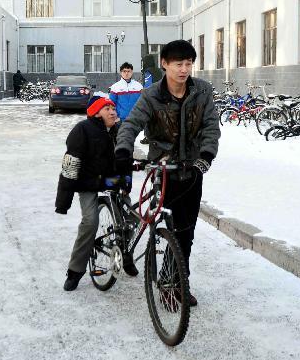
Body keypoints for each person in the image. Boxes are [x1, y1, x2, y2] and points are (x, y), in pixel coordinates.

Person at [114, 39, 220, 307]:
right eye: (178, 64)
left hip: (193, 169)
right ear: (164, 64)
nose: (184, 69)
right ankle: (171, 283)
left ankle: (176, 281)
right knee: (172, 228)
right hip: (163, 168)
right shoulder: (151, 95)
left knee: (187, 232)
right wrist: (124, 150)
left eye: (189, 64)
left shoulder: (202, 91)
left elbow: (211, 127)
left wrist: (205, 158)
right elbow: (131, 125)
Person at [55, 95, 122, 291]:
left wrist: (127, 178)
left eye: (113, 108)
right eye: (107, 108)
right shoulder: (82, 130)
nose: (112, 111)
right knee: (90, 221)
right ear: (96, 112)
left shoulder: (118, 130)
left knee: (131, 217)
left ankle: (125, 255)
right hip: (88, 183)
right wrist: (63, 202)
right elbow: (70, 166)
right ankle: (75, 271)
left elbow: (124, 158)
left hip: (111, 180)